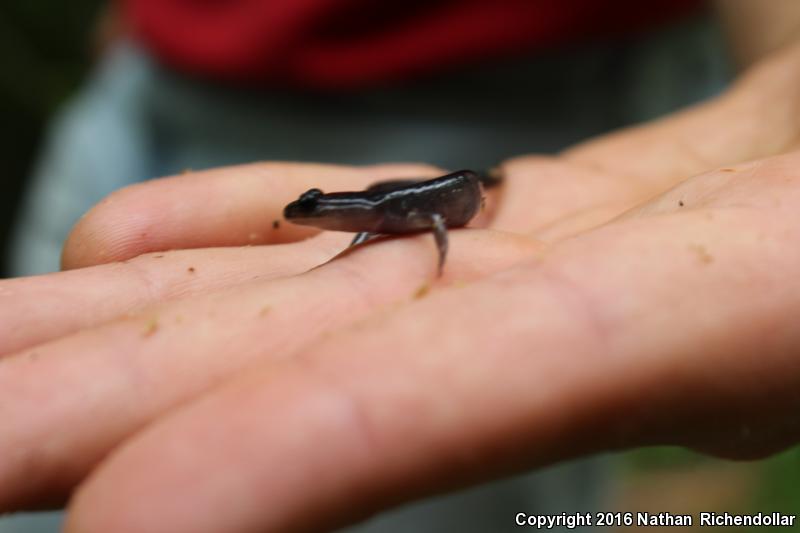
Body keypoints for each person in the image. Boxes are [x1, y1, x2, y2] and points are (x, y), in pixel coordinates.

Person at [2, 1, 800, 532]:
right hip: (160, 70)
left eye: (323, 211)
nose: (322, 218)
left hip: (544, 89)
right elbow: (369, 219)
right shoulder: (362, 213)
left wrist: (780, 93)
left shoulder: (406, 210)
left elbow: (422, 217)